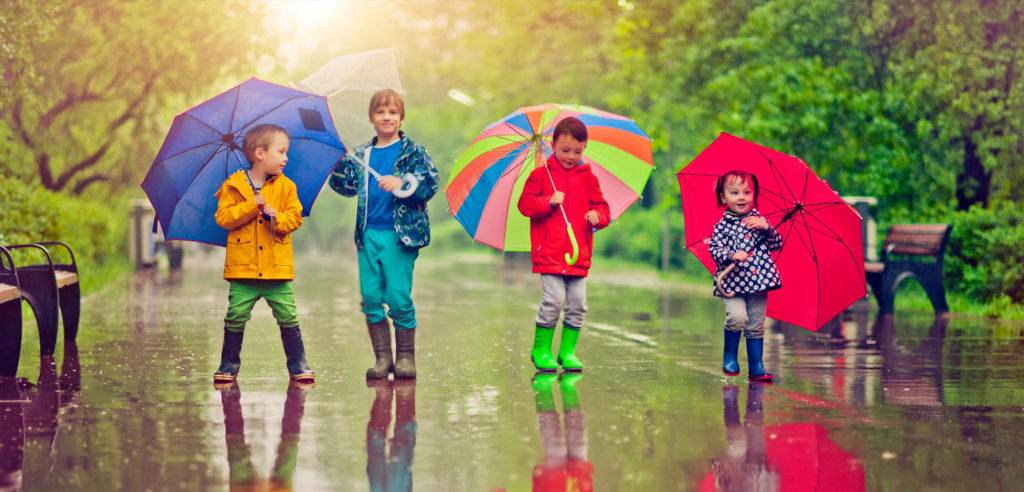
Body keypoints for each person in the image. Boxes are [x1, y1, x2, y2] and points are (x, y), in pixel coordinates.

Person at [329, 89, 438, 379]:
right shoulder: (362, 154)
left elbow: (430, 182)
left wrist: (403, 181)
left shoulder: (412, 151)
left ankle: (405, 358)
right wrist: (340, 161)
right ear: (372, 118)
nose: (387, 117)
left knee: (398, 296)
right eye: (380, 112)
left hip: (400, 236)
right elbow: (344, 187)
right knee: (370, 296)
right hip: (368, 234)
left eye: (392, 112)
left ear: (401, 118)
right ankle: (382, 359)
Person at [213, 123, 315, 385]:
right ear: (260, 153)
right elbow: (223, 217)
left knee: (288, 315)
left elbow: (295, 219)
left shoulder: (286, 187)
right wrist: (251, 205)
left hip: (276, 271)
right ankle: (228, 364)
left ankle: (298, 363)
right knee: (235, 315)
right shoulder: (233, 185)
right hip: (243, 270)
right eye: (281, 152)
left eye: (286, 152)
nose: (286, 158)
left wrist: (277, 216)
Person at [517, 117, 610, 373]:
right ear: (552, 145)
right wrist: (548, 201)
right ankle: (541, 349)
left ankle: (567, 351)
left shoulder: (589, 178)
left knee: (578, 303)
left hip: (578, 253)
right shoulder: (540, 176)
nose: (571, 156)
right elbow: (525, 205)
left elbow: (603, 209)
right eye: (565, 150)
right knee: (554, 300)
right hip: (549, 253)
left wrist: (597, 217)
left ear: (584, 148)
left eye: (577, 151)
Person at [709, 170, 782, 382]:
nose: (741, 197)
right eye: (734, 192)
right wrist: (731, 255)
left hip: (758, 283)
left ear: (754, 195)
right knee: (737, 317)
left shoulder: (759, 222)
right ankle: (729, 355)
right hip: (731, 283)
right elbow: (714, 250)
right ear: (723, 198)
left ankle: (757, 367)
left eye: (747, 192)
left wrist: (767, 228)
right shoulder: (722, 226)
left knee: (756, 323)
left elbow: (776, 244)